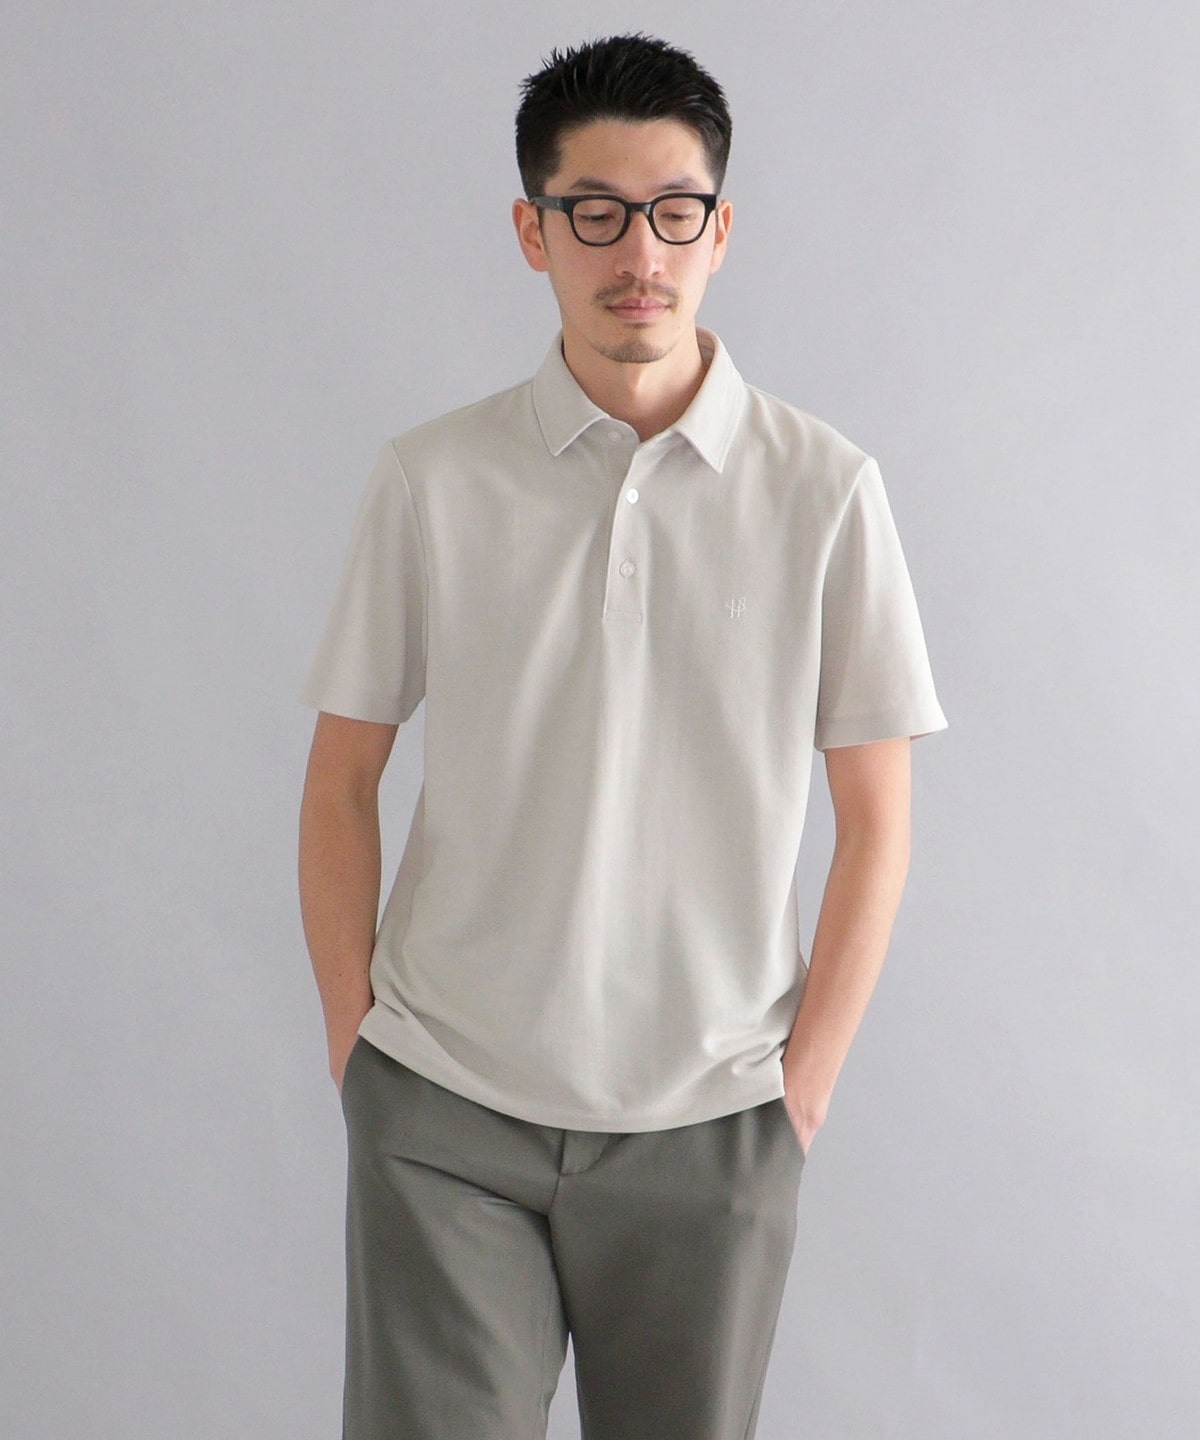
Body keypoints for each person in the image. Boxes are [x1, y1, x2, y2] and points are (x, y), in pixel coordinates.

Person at [297, 31, 947, 1440]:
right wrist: (361, 1052)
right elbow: (342, 779)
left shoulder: (826, 491)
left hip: (713, 1119)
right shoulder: (431, 480)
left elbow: (878, 823)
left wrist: (799, 1096)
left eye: (673, 211)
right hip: (444, 1104)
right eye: (594, 212)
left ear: (722, 232)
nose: (638, 251)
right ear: (532, 232)